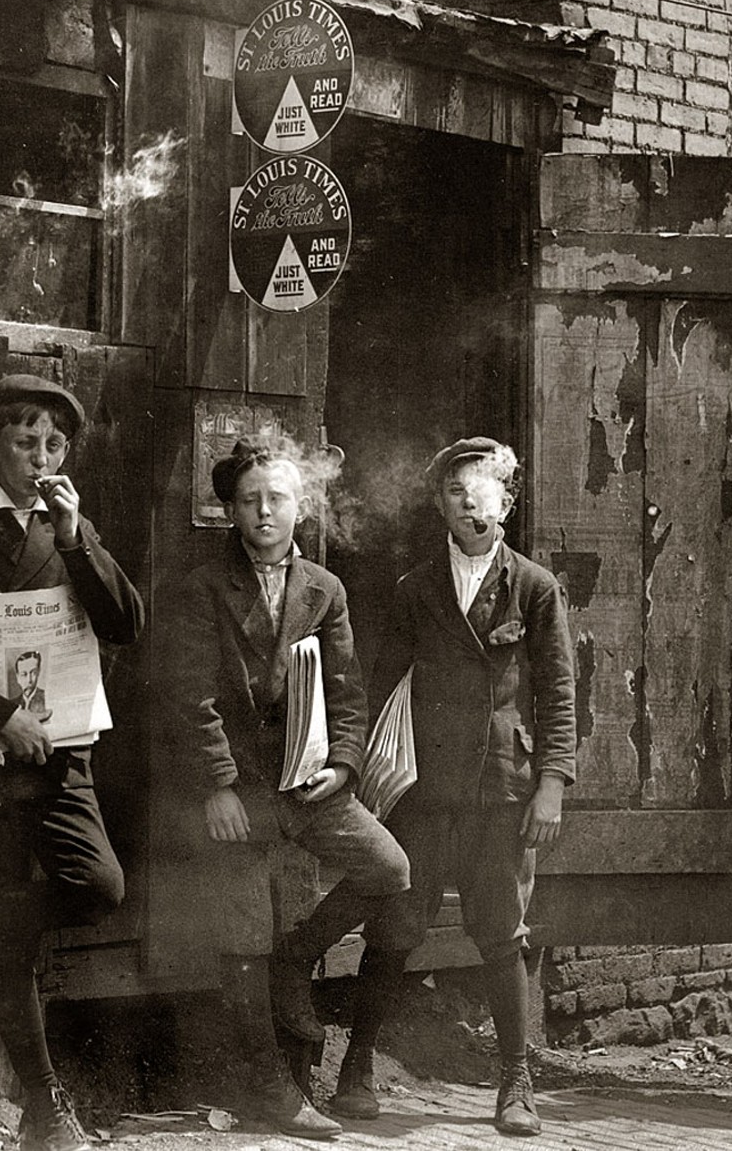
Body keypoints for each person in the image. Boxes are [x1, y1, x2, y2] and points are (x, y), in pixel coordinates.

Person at [0, 373, 144, 1151]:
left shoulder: (68, 530)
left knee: (96, 885)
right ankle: (45, 1106)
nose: (40, 458)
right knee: (13, 943)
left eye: (53, 444)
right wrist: (0, 719)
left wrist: (76, 540)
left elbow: (124, 623)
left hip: (59, 759)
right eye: (24, 442)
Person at [166, 436, 412, 1140]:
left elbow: (348, 692)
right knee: (242, 929)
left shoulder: (323, 591)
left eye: (278, 498)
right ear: (232, 512)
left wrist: (342, 765)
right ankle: (271, 1090)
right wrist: (217, 787)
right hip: (238, 792)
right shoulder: (202, 587)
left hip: (311, 784)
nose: (265, 511)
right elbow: (190, 698)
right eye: (250, 501)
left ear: (300, 506)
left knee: (390, 868)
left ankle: (297, 957)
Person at [335, 438, 576, 1136]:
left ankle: (516, 1082)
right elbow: (379, 689)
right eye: (455, 493)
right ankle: (356, 1065)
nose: (471, 505)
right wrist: (364, 775)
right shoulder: (416, 591)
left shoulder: (534, 587)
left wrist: (553, 783)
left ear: (510, 499)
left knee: (503, 936)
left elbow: (559, 694)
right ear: (439, 505)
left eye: (485, 490)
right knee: (397, 927)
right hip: (424, 794)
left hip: (502, 792)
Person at [14, 650, 49, 715]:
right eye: (23, 674)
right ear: (17, 677)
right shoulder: (12, 704)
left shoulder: (47, 698)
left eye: (33, 673)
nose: (29, 680)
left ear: (38, 672)